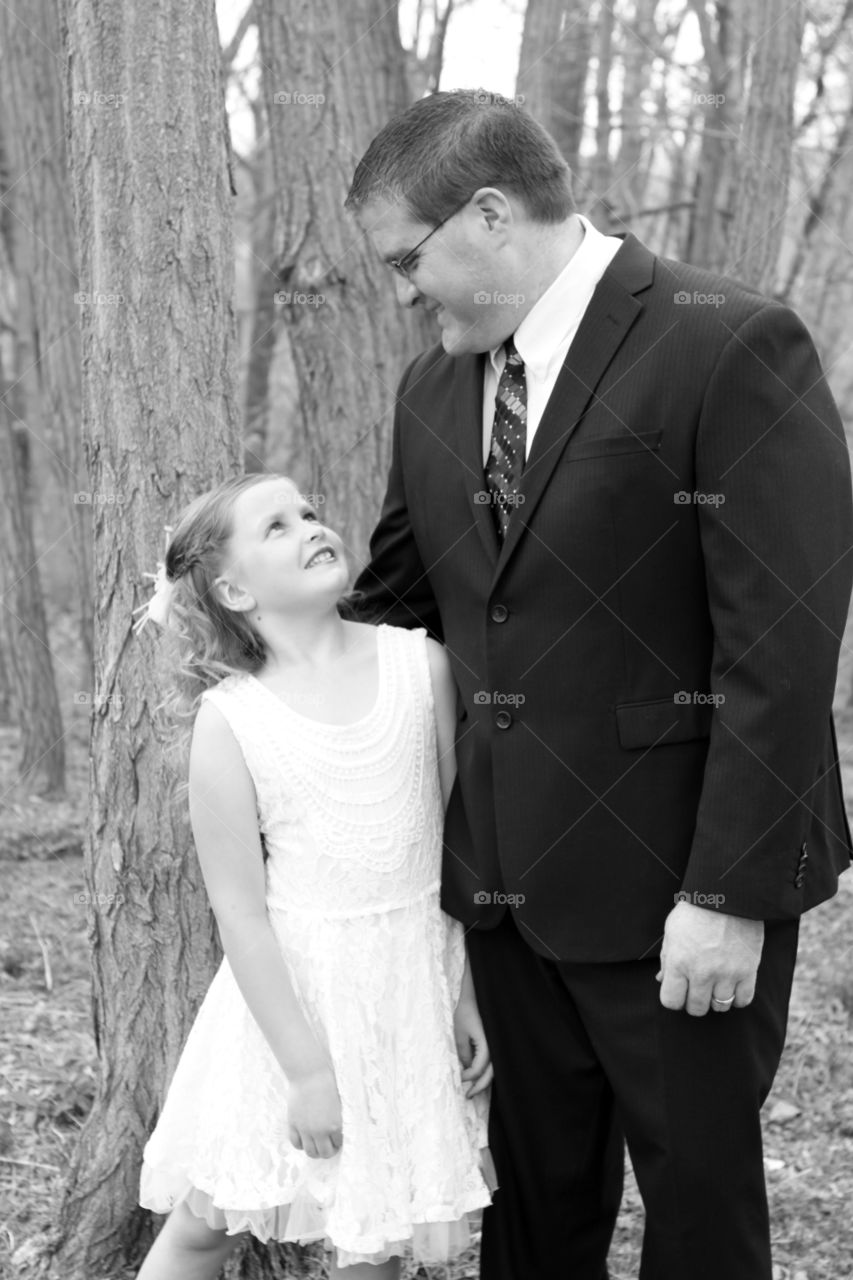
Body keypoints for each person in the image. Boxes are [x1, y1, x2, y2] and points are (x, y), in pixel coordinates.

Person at [345, 89, 853, 1280]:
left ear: (489, 213)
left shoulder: (726, 340)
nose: (402, 293)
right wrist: (241, 648)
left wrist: (727, 892)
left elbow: (779, 643)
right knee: (530, 1219)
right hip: (503, 897)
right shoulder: (431, 392)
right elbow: (396, 610)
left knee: (698, 1220)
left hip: (677, 889)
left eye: (408, 261)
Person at [132, 473, 494, 1280]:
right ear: (232, 588)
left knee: (375, 1236)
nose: (309, 528)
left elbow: (455, 843)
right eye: (276, 527)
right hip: (288, 1009)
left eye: (309, 513)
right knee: (207, 1219)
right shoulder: (233, 720)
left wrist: (465, 991)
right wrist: (304, 1071)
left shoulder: (419, 666)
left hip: (408, 990)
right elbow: (241, 914)